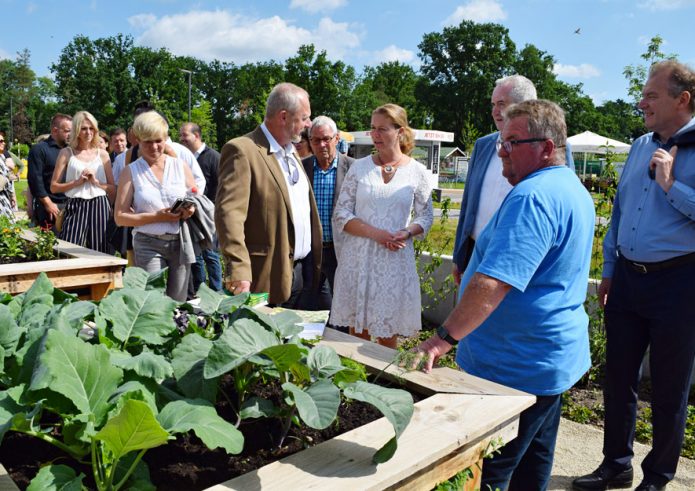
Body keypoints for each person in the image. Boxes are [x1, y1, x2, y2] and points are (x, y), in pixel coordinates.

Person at [412, 100, 595, 490]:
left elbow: (493, 282)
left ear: (546, 147)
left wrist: (441, 340)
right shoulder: (571, 189)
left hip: (514, 367)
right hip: (547, 361)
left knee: (488, 469)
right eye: (500, 140)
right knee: (533, 464)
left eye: (512, 142)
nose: (500, 150)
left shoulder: (533, 197)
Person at [572, 60, 695, 491]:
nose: (641, 102)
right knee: (618, 377)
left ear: (683, 100)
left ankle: (658, 476)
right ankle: (616, 464)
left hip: (679, 284)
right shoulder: (641, 144)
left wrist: (670, 185)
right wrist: (608, 270)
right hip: (627, 278)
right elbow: (620, 211)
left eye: (652, 95)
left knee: (667, 387)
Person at [452, 75, 575, 284]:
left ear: (526, 106)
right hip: (475, 250)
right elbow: (468, 204)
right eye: (492, 105)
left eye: (502, 104)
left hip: (518, 255)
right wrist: (459, 256)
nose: (494, 112)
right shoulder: (483, 145)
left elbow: (561, 199)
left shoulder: (553, 148)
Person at [329, 103, 433, 348]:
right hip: (359, 260)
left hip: (394, 261)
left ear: (400, 131)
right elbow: (341, 213)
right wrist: (378, 234)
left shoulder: (417, 171)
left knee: (388, 336)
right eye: (373, 128)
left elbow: (426, 216)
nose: (375, 135)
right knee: (357, 334)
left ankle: (384, 384)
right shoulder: (359, 168)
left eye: (382, 129)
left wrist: (406, 232)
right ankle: (355, 384)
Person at [215, 82, 322, 306]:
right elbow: (229, 215)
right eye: (304, 118)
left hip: (301, 273)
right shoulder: (242, 150)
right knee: (262, 340)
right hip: (262, 276)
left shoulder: (292, 152)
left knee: (294, 340)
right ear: (284, 117)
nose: (309, 124)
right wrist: (238, 267)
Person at [114, 111, 200, 302]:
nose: (154, 147)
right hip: (148, 242)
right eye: (147, 142)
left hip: (181, 242)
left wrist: (190, 210)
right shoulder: (131, 172)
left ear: (166, 138)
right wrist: (157, 217)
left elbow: (195, 197)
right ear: (138, 140)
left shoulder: (180, 166)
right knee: (153, 301)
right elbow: (120, 217)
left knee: (178, 301)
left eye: (158, 141)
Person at [300, 116, 354, 310]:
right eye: (315, 140)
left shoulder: (353, 169)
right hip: (311, 250)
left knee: (344, 301)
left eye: (326, 139)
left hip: (341, 249)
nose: (321, 144)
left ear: (337, 139)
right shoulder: (301, 168)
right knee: (311, 297)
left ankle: (338, 336)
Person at [50, 111, 115, 252]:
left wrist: (96, 181)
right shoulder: (67, 153)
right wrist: (76, 182)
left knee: (101, 249)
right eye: (84, 128)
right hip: (75, 204)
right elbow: (54, 187)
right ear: (77, 130)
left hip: (100, 203)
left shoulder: (103, 154)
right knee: (69, 249)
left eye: (91, 128)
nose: (88, 132)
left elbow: (112, 188)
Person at [179, 122, 223, 292]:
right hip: (190, 214)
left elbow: (221, 185)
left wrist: (212, 210)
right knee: (195, 255)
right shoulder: (183, 157)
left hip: (208, 214)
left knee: (210, 254)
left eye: (184, 135)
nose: (181, 139)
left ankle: (216, 291)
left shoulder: (213, 157)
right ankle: (199, 290)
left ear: (196, 136)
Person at [27, 113, 73, 228]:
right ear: (55, 130)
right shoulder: (39, 149)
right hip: (51, 207)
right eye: (67, 131)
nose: (70, 134)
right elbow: (35, 180)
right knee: (52, 244)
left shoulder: (71, 150)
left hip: (71, 205)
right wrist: (48, 204)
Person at [0, 131, 16, 219]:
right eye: (1, 141)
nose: (4, 143)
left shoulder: (3, 157)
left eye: (3, 141)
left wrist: (12, 195)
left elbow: (8, 176)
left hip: (4, 196)